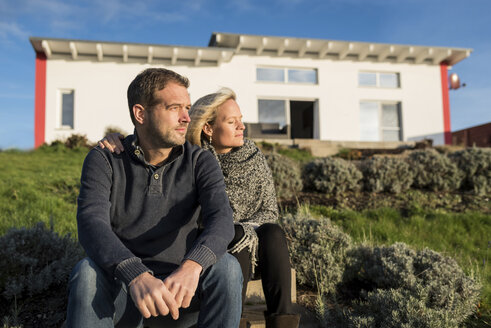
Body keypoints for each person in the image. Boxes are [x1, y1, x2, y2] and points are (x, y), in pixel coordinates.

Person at [100, 88, 300, 328]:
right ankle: (234, 319)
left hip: (252, 237)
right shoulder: (193, 157)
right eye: (231, 121)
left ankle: (283, 323)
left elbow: (268, 210)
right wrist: (115, 138)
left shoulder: (253, 157)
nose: (241, 127)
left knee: (272, 231)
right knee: (233, 235)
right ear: (208, 128)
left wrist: (247, 230)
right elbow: (151, 137)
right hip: (212, 243)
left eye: (241, 120)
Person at [67, 68, 242, 328]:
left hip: (181, 294)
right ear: (140, 114)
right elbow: (92, 224)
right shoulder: (104, 159)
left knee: (227, 267)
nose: (186, 118)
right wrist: (135, 274)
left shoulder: (200, 160)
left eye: (188, 107)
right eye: (174, 108)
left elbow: (221, 220)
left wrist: (193, 266)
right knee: (87, 273)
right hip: (126, 293)